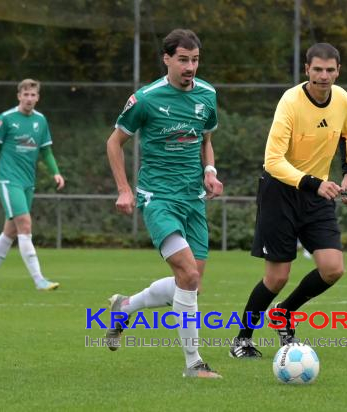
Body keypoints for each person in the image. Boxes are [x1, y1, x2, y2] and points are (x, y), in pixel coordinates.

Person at [105, 29, 223, 378]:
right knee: (186, 273)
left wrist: (210, 172)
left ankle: (125, 307)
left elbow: (206, 140)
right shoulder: (145, 99)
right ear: (167, 59)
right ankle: (193, 364)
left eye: (195, 59)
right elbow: (114, 143)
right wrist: (125, 189)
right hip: (158, 198)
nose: (190, 67)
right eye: (183, 59)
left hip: (193, 199)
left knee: (191, 283)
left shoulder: (208, 95)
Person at [229, 43, 347, 358]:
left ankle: (284, 313)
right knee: (277, 277)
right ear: (307, 70)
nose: (324, 76)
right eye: (317, 70)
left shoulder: (342, 99)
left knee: (333, 268)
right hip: (281, 193)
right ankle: (242, 339)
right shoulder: (290, 102)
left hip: (318, 194)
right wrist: (315, 184)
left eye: (329, 70)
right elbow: (272, 161)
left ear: (338, 71)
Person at [0, 79, 65, 291]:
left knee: (10, 231)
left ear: (38, 97)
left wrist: (56, 173)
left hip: (28, 182)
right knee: (25, 224)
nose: (29, 99)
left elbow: (46, 151)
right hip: (8, 180)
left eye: (33, 95)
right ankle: (39, 280)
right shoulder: (6, 119)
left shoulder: (41, 121)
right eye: (25, 94)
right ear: (19, 96)